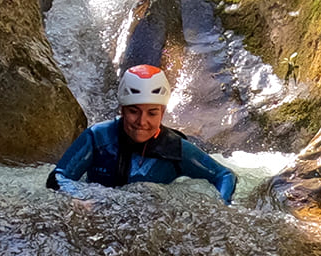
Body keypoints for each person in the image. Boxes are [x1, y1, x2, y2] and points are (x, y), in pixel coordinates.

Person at [47, 64, 236, 203]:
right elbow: (58, 177)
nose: (142, 121)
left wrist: (220, 206)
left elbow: (225, 175)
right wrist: (77, 198)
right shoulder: (97, 138)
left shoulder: (175, 149)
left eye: (152, 113)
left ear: (162, 113)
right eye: (134, 111)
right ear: (122, 110)